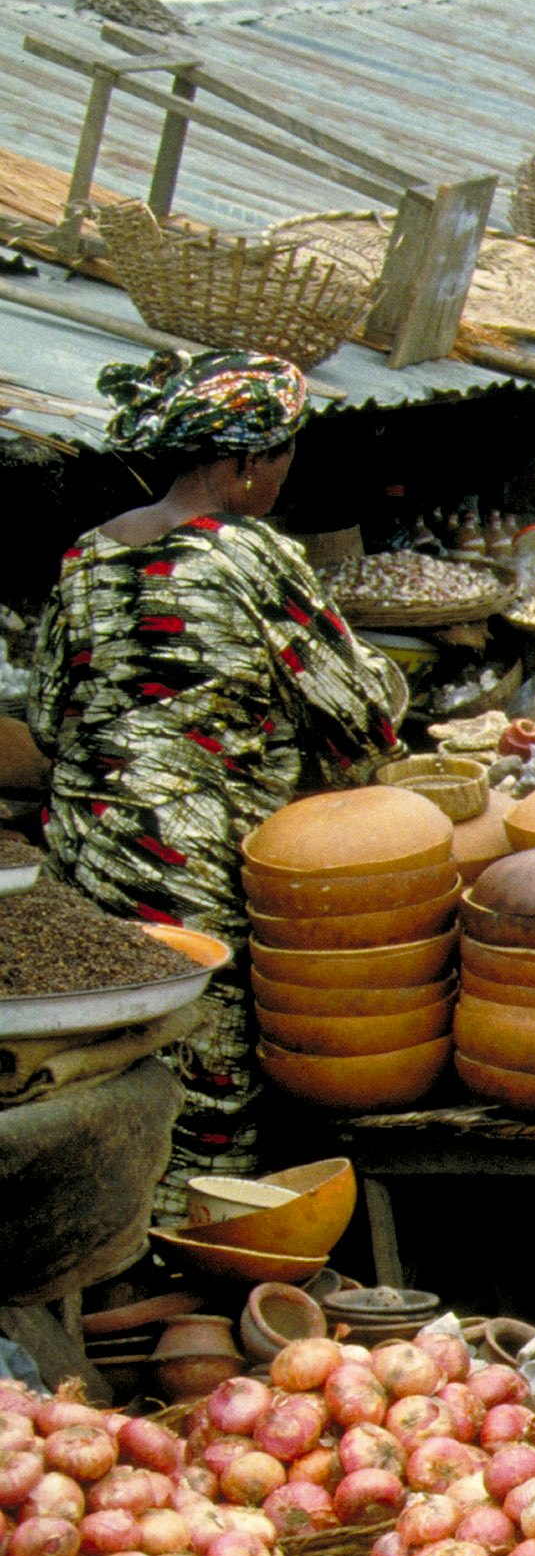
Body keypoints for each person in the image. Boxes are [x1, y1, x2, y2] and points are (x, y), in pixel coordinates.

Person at [29, 349, 400, 1212]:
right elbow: (358, 713)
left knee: (100, 1060)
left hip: (83, 856)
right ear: (240, 465)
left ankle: (100, 1256)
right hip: (187, 860)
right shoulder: (248, 556)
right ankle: (185, 1267)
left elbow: (52, 720)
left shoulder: (87, 556)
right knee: (204, 1061)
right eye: (280, 458)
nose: (281, 475)